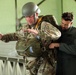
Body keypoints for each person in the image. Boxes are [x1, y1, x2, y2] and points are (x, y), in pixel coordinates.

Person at [0, 2, 61, 75]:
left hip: (45, 63)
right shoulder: (26, 27)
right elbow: (16, 35)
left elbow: (57, 34)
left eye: (30, 16)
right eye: (26, 17)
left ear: (36, 14)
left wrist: (38, 33)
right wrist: (3, 37)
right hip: (31, 64)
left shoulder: (44, 24)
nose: (28, 19)